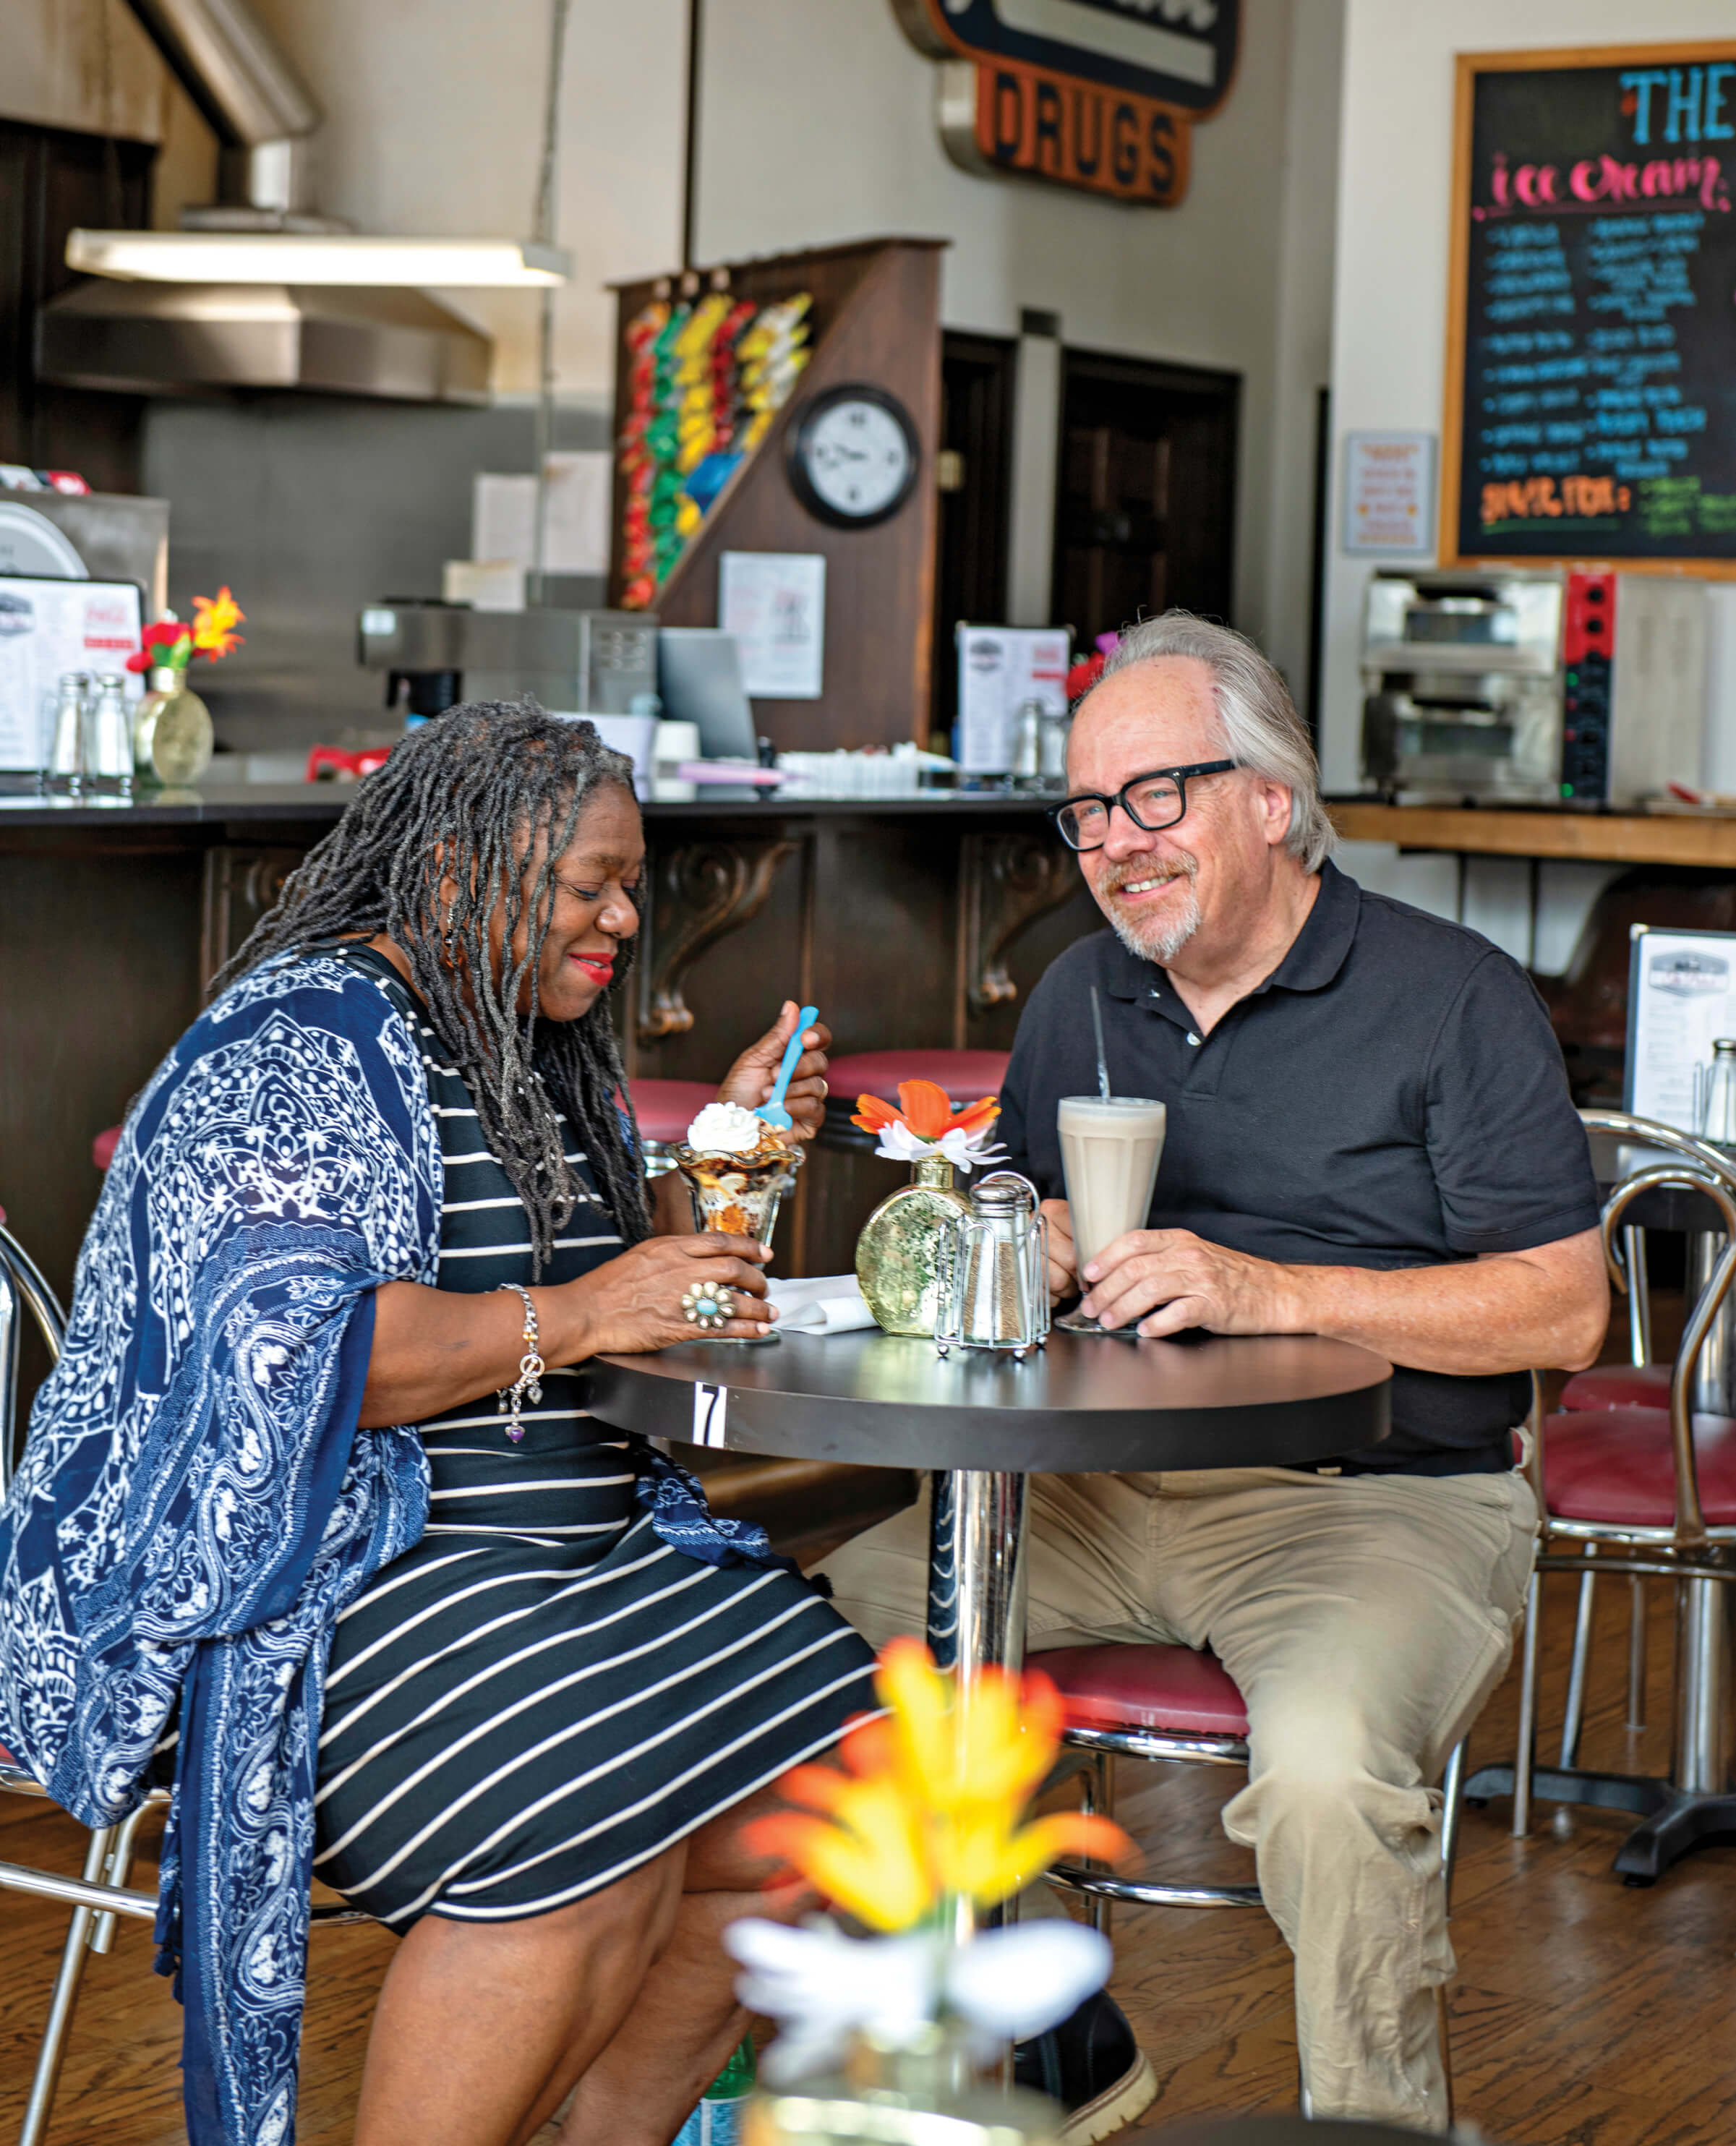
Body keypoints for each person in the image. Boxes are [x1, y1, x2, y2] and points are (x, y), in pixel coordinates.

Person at [0, 704, 878, 2146]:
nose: (621, 916)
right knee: (580, 1832)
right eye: (587, 881)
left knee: (832, 1792)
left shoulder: (539, 1042)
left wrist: (727, 1155)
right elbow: (299, 1358)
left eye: (631, 880)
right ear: (462, 878)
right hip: (347, 1574)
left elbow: (624, 1279)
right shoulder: (303, 1039)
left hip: (590, 1546)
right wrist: (591, 1311)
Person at [819, 612, 1609, 2132]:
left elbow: (1563, 1311)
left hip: (1377, 1499)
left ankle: (1378, 2122)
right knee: (807, 1651)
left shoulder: (1451, 996)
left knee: (1319, 1774)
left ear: (1268, 795)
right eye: (1087, 812)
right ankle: (1056, 2017)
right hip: (1096, 1489)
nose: (1115, 844)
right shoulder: (1078, 995)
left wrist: (1268, 1289)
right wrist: (1025, 1239)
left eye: (1155, 796)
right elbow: (1016, 1219)